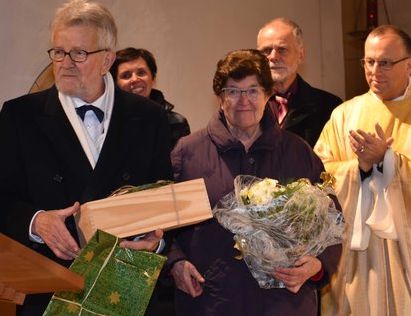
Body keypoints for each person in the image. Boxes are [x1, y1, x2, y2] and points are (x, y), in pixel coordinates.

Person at [0, 0, 173, 316]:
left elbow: (164, 197)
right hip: (50, 287)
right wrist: (36, 222)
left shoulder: (149, 117)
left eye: (79, 53)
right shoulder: (21, 115)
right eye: (58, 52)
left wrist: (158, 242)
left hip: (126, 285)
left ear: (107, 59)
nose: (65, 63)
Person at [166, 49, 341, 315]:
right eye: (233, 91)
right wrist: (175, 262)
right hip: (211, 302)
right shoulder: (188, 153)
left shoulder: (297, 152)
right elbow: (163, 226)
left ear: (268, 94)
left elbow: (332, 221)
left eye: (253, 90)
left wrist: (317, 265)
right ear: (220, 97)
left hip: (284, 304)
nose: (243, 101)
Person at [314, 25, 411, 315]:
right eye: (369, 61)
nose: (375, 71)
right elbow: (317, 177)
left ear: (409, 64)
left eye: (385, 62)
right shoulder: (343, 116)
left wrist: (390, 162)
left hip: (408, 260)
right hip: (355, 259)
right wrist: (358, 169)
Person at [257, 18, 342, 147]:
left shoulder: (330, 107)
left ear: (301, 55)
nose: (273, 57)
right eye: (266, 51)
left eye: (282, 49)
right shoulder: (245, 104)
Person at [111, 47, 190, 147]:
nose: (135, 79)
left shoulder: (176, 123)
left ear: (153, 79)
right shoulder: (107, 123)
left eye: (141, 73)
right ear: (115, 84)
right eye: (126, 75)